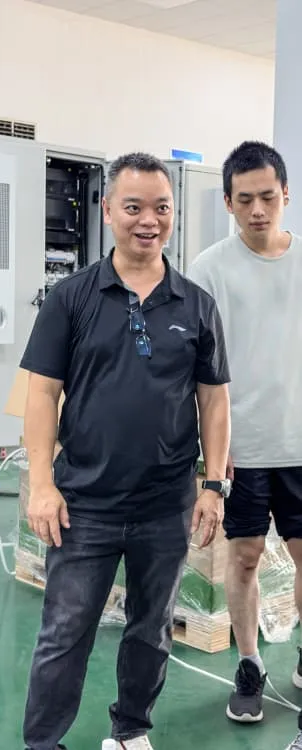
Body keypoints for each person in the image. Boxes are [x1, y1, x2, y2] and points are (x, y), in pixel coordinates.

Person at [21, 152, 231, 750]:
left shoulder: (195, 304)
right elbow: (42, 394)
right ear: (108, 209)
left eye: (161, 208)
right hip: (83, 503)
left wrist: (213, 484)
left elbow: (214, 400)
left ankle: (131, 731)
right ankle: (43, 743)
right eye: (134, 207)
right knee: (65, 631)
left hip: (165, 504)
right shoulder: (71, 298)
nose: (149, 220)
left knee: (151, 629)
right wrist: (42, 483)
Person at [186, 141, 302, 750]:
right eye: (245, 199)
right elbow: (195, 370)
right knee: (247, 556)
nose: (258, 210)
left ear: (286, 195)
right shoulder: (208, 270)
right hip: (241, 448)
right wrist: (210, 450)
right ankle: (250, 663)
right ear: (228, 202)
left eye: (268, 197)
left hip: (300, 443)